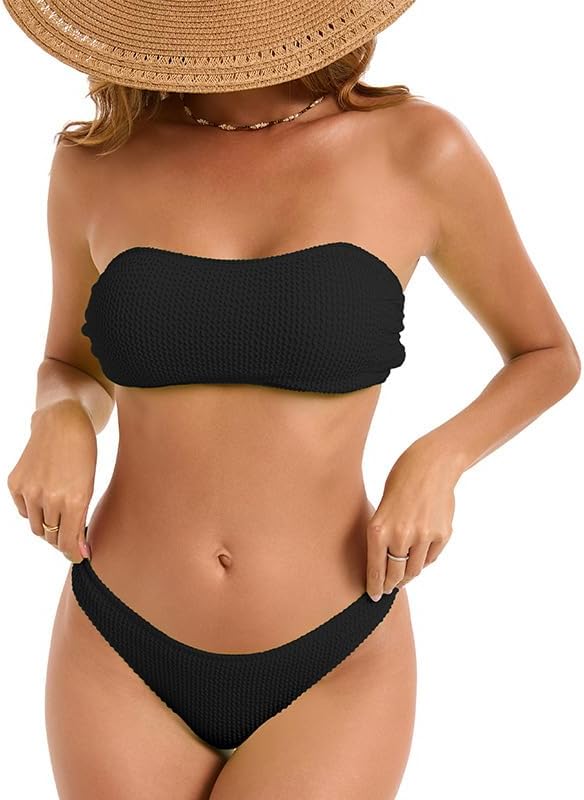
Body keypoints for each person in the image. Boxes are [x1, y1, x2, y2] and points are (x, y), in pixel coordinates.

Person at [3, 0, 580, 798]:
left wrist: (436, 459)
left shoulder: (418, 148)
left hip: (333, 655)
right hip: (119, 644)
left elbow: (547, 355)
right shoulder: (96, 161)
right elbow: (68, 363)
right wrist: (60, 416)